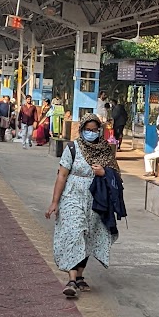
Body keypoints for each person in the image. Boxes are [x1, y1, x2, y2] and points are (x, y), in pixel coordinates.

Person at [45, 116, 121, 299]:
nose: (91, 132)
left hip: (95, 200)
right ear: (81, 129)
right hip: (72, 196)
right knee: (75, 231)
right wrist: (55, 201)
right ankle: (71, 280)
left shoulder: (105, 150)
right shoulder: (72, 148)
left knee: (88, 236)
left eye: (95, 129)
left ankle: (79, 276)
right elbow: (62, 176)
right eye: (88, 129)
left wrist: (104, 172)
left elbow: (116, 176)